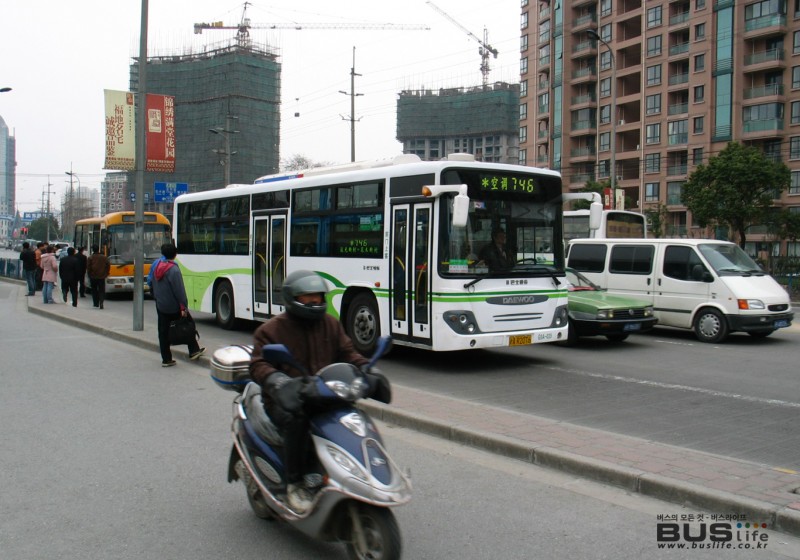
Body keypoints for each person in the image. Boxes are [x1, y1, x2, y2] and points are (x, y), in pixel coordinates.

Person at [248, 270, 390, 514]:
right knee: (297, 421)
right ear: (292, 298)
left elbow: (348, 352)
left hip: (325, 393)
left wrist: (366, 368)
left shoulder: (330, 324)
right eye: (307, 297)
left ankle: (363, 471)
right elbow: (258, 364)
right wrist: (276, 380)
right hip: (287, 400)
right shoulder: (271, 330)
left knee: (353, 419)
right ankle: (294, 483)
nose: (314, 301)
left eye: (318, 296)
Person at [151, 243, 204, 367]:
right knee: (188, 324)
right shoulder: (174, 269)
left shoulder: (156, 266)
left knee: (163, 332)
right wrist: (184, 306)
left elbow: (151, 283)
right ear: (175, 255)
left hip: (161, 305)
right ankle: (193, 350)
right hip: (173, 306)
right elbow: (179, 290)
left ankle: (166, 359)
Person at [87, 245, 110, 309]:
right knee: (101, 290)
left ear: (93, 250)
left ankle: (96, 303)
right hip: (102, 276)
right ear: (98, 249)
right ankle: (101, 302)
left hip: (93, 276)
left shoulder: (90, 258)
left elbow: (88, 267)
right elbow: (108, 265)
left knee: (94, 290)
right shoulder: (104, 257)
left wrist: (89, 274)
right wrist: (106, 273)